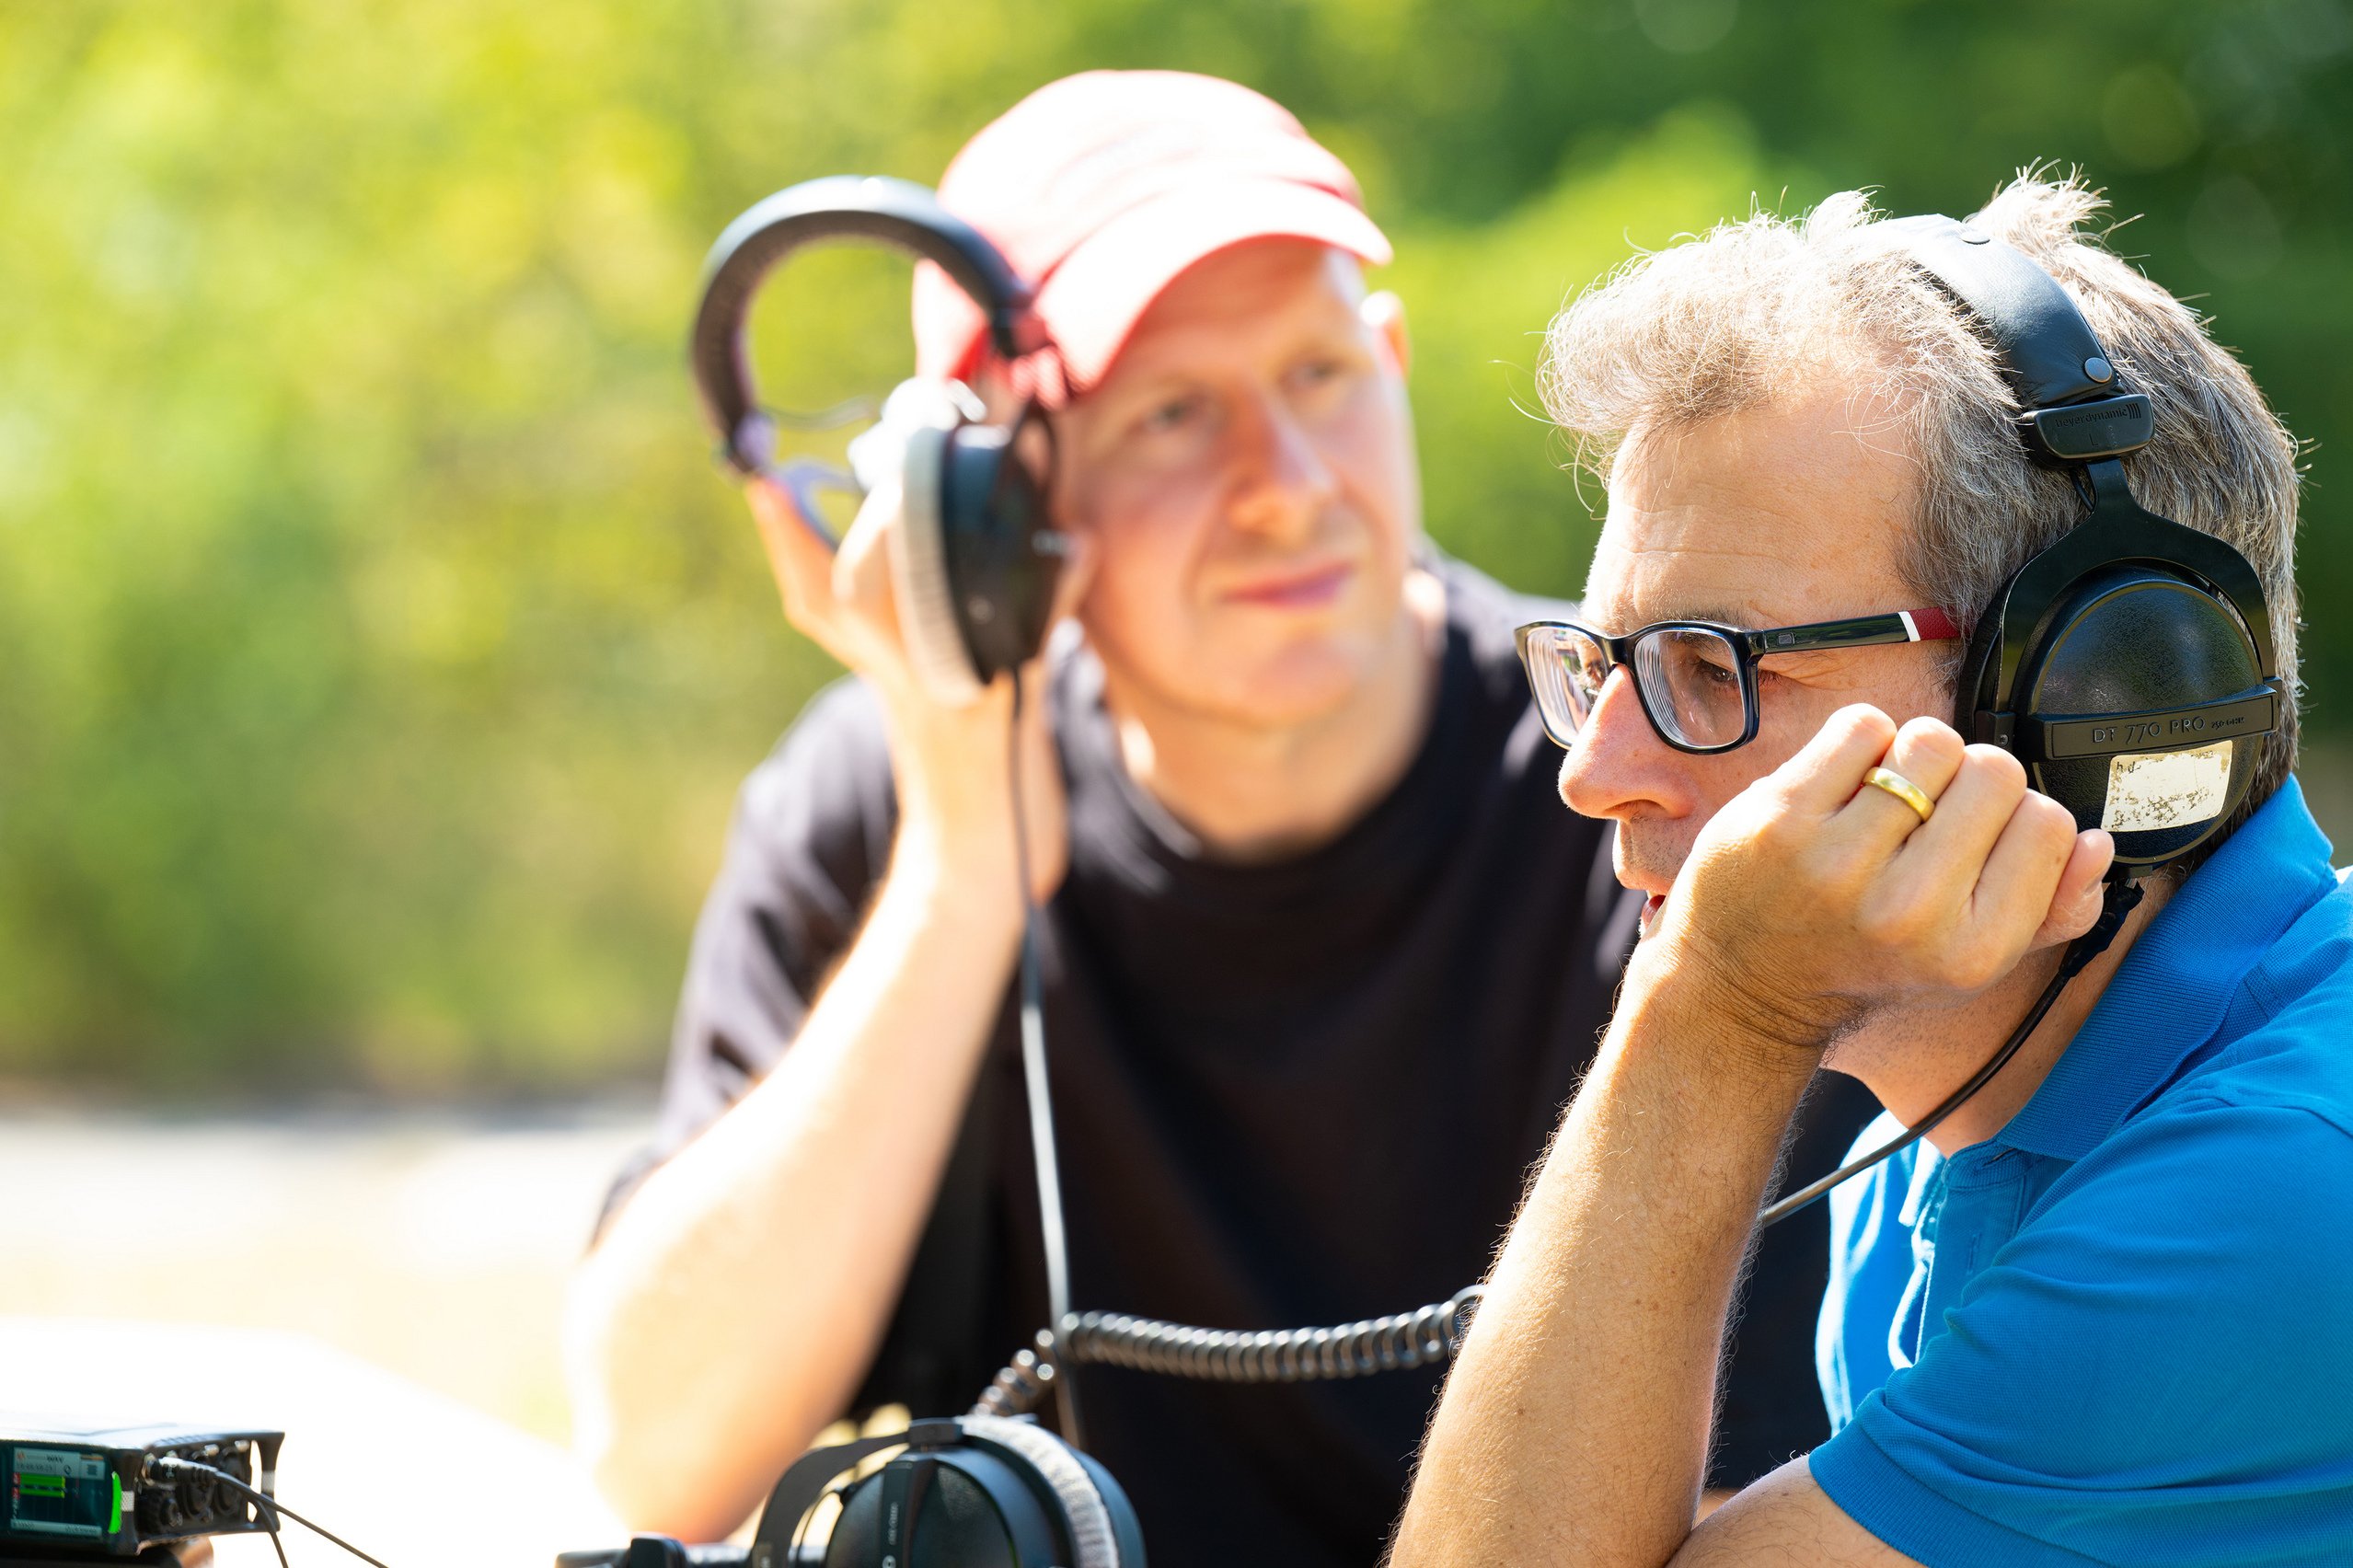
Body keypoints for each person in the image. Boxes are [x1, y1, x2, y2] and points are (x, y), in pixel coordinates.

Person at [563, 71, 1877, 1564]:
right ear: (993, 498)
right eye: (1173, 413)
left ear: (1388, 362)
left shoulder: (1651, 780)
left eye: (1318, 376)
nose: (1285, 486)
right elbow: (657, 1456)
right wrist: (963, 868)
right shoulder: (888, 802)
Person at [1390, 175, 2353, 1566]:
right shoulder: (1930, 1133)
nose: (1592, 773)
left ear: (2094, 694)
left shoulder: (2269, 1205)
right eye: (1601, 665)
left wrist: (1719, 1010)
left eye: (1704, 664)